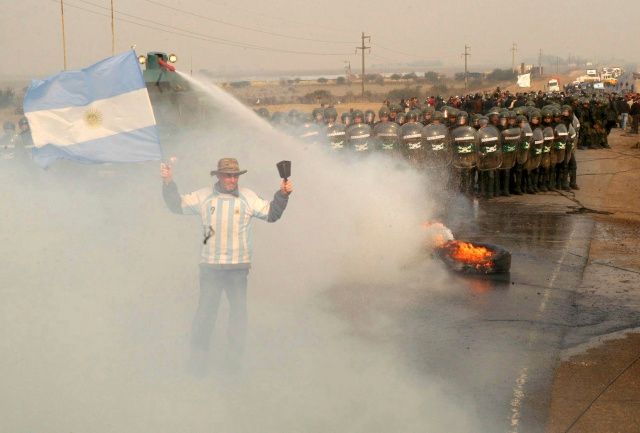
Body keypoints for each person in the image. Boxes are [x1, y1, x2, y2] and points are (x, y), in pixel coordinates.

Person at [161, 157, 293, 374]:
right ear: (218, 176)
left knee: (238, 316)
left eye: (234, 175)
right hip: (210, 267)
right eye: (227, 175)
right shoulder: (203, 196)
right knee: (205, 314)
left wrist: (283, 195)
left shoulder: (248, 197)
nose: (231, 179)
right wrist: (168, 183)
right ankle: (197, 364)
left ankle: (234, 364)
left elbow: (272, 214)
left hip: (238, 269)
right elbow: (176, 205)